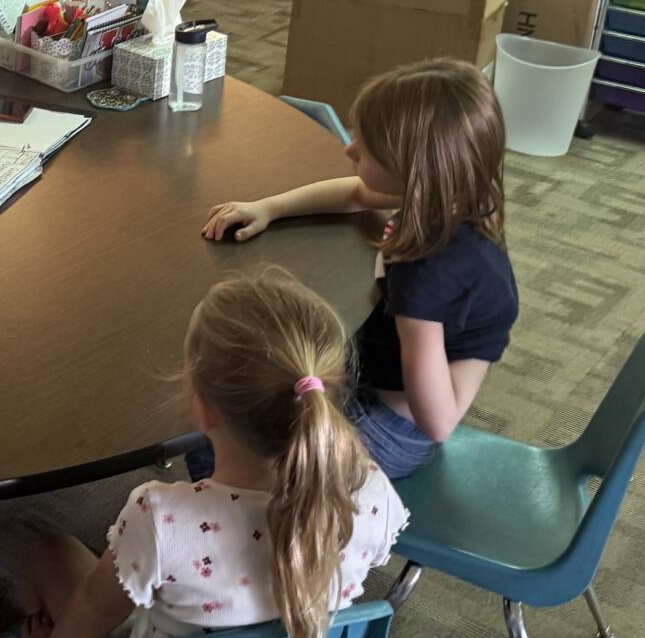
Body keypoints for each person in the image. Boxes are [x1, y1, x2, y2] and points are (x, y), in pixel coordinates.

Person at [0, 269, 406, 638]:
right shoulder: (371, 491)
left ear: (201, 409)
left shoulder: (163, 517)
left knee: (52, 551)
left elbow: (93, 612)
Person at [201, 59, 516, 479]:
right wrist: (268, 208)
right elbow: (355, 192)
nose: (349, 150)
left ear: (413, 168)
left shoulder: (422, 273)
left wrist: (419, 329)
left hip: (391, 429)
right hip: (386, 386)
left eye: (364, 147)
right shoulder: (456, 199)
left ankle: (247, 535)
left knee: (219, 450)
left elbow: (438, 422)